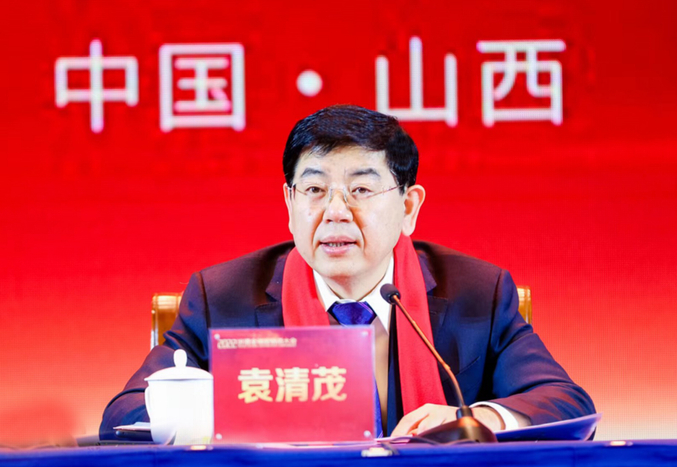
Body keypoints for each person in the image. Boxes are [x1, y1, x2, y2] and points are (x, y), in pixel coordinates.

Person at [100, 105, 594, 440]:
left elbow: (567, 404)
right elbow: (123, 415)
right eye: (314, 190)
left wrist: (476, 419)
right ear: (290, 204)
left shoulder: (477, 294)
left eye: (360, 190)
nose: (335, 212)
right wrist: (238, 410)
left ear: (408, 206)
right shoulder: (221, 297)